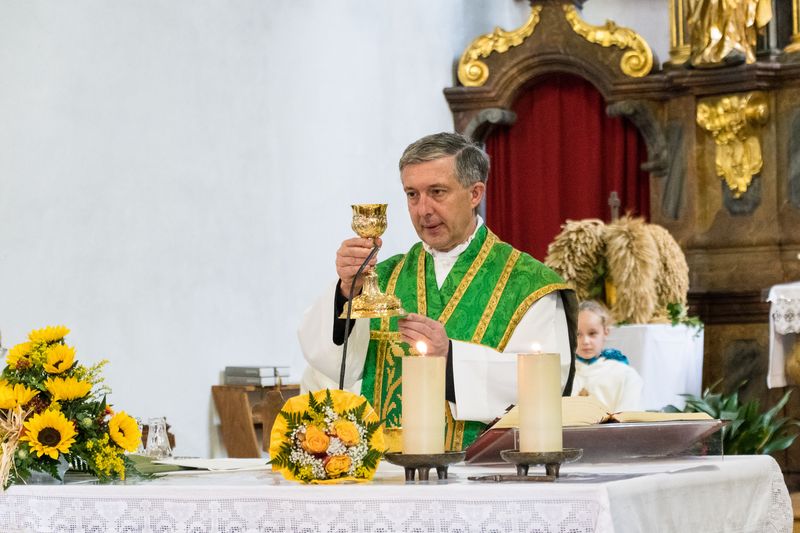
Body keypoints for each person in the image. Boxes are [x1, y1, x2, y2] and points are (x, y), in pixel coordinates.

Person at [298, 132, 577, 450]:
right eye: (412, 194)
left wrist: (451, 358)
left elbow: (548, 385)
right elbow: (331, 363)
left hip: (484, 470)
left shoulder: (529, 284)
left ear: (474, 194)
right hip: (391, 468)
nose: (423, 210)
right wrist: (346, 292)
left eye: (437, 192)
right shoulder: (382, 278)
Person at [571, 300, 642, 413]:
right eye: (578, 334)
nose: (585, 341)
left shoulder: (626, 375)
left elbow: (629, 417)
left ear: (605, 332)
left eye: (592, 333)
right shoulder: (561, 375)